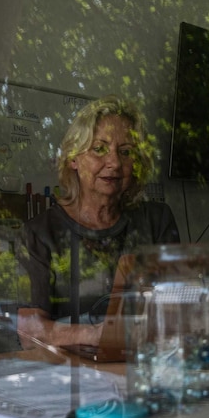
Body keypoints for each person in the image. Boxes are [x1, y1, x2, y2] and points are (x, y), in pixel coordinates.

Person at [19, 95, 180, 348]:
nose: (114, 163)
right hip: (69, 378)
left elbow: (176, 308)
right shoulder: (39, 233)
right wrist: (97, 335)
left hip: (143, 371)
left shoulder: (156, 221)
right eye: (99, 149)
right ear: (73, 158)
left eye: (125, 152)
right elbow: (29, 333)